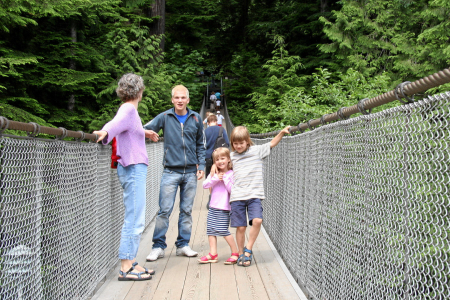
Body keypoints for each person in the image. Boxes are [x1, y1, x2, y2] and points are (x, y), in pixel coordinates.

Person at [93, 73, 156, 281]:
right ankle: (126, 267)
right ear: (140, 91)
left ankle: (130, 261)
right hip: (133, 167)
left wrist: (144, 133)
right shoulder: (129, 109)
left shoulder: (130, 111)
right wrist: (105, 132)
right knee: (135, 218)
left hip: (131, 166)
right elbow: (115, 123)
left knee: (135, 215)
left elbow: (127, 128)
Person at [210, 125, 291, 267]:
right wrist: (213, 166)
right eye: (235, 143)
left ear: (247, 141)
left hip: (254, 194)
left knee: (257, 220)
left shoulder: (257, 151)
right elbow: (220, 160)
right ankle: (241, 254)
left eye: (241, 143)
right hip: (237, 196)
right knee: (240, 227)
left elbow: (271, 143)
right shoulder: (232, 157)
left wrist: (281, 133)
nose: (238, 146)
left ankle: (248, 249)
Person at [143, 85, 206, 261]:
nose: (179, 100)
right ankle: (158, 246)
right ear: (172, 100)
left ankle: (183, 245)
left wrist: (201, 164)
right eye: (176, 98)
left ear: (188, 100)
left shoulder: (196, 118)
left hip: (191, 172)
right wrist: (146, 134)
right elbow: (143, 129)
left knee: (186, 210)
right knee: (164, 211)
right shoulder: (164, 117)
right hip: (170, 171)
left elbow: (201, 143)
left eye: (182, 98)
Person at [199, 147, 239, 265]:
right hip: (213, 206)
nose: (220, 161)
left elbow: (232, 190)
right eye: (217, 159)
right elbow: (205, 185)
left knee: (222, 230)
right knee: (211, 230)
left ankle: (235, 252)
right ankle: (213, 254)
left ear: (228, 160)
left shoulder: (231, 174)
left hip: (224, 207)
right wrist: (215, 178)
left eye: (223, 158)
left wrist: (225, 179)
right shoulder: (214, 174)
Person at [204, 114, 229, 178]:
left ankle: (211, 188)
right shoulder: (221, 129)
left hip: (208, 157)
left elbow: (202, 146)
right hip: (220, 158)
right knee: (221, 176)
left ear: (208, 123)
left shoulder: (204, 131)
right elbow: (227, 143)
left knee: (210, 177)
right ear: (216, 121)